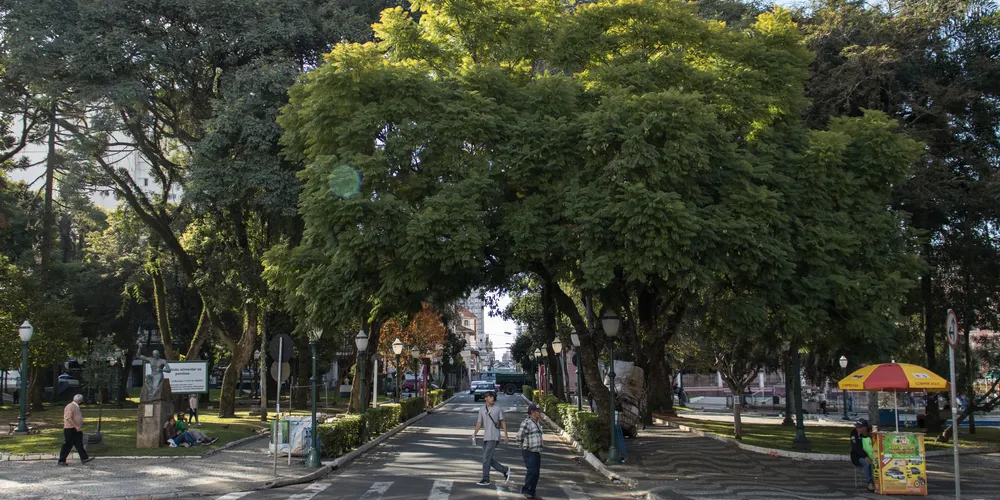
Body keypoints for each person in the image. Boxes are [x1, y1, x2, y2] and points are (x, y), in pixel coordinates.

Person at [472, 390, 511, 486]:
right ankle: (504, 470)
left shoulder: (497, 409)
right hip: (486, 436)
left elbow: (502, 422)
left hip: (494, 436)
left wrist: (506, 435)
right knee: (487, 457)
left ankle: (486, 479)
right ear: (485, 398)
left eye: (493, 397)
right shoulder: (482, 409)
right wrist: (474, 434)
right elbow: (479, 423)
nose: (492, 398)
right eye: (490, 397)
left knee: (486, 458)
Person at [517, 403, 544, 499]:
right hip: (529, 451)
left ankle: (532, 491)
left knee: (536, 472)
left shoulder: (536, 422)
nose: (539, 413)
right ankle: (525, 489)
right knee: (532, 471)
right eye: (538, 411)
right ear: (532, 412)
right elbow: (519, 436)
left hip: (536, 451)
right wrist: (523, 446)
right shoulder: (527, 422)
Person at [58, 394, 94, 465]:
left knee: (79, 444)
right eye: (82, 400)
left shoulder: (75, 406)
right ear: (80, 400)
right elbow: (68, 418)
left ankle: (84, 458)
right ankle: (61, 460)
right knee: (68, 444)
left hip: (76, 429)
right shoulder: (70, 406)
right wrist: (76, 426)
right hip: (70, 429)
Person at [850, 418, 876, 491]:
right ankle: (870, 483)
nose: (857, 429)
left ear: (865, 428)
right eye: (856, 427)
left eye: (860, 427)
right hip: (859, 456)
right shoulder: (854, 433)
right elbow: (856, 448)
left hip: (874, 455)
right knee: (866, 463)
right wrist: (865, 456)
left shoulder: (872, 432)